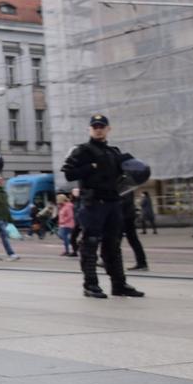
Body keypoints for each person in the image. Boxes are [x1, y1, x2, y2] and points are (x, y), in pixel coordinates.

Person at [60, 113, 145, 300]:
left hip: (113, 203)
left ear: (108, 129)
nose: (98, 129)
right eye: (95, 126)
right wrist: (90, 167)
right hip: (93, 203)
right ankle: (90, 285)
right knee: (90, 243)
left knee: (113, 244)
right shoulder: (82, 151)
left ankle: (119, 284)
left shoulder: (114, 152)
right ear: (89, 129)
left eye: (102, 126)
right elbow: (68, 173)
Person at [120, 191, 148, 271]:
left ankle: (142, 263)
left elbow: (125, 201)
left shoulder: (124, 185)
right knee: (132, 240)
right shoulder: (124, 183)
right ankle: (142, 263)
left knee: (116, 240)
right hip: (126, 215)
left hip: (125, 216)